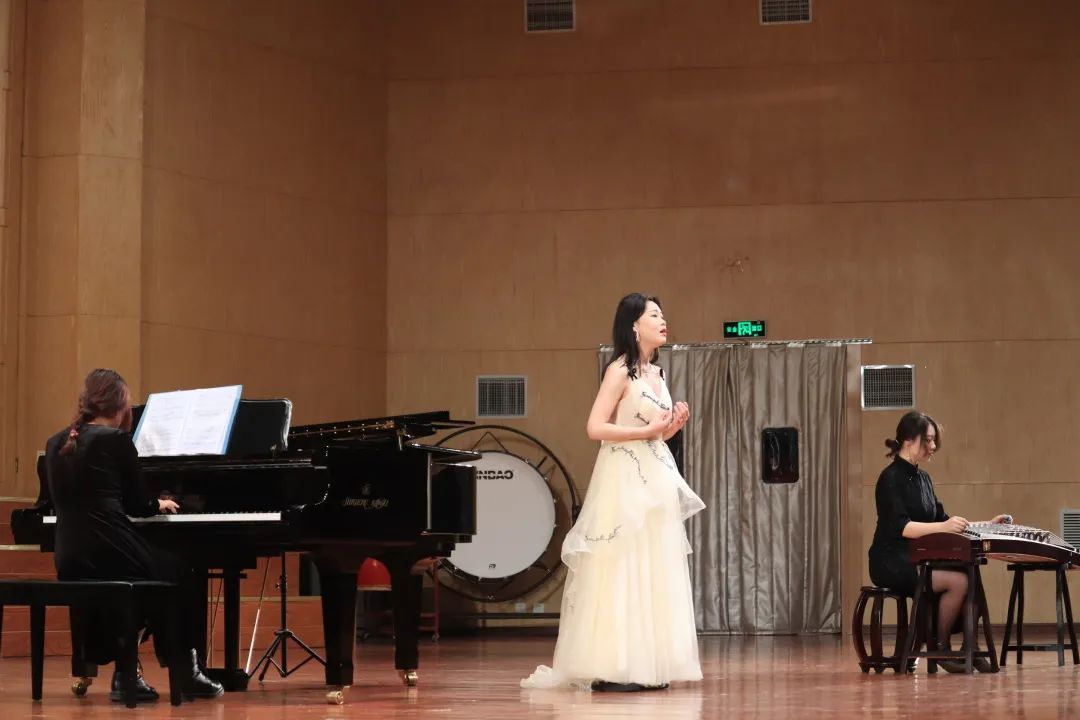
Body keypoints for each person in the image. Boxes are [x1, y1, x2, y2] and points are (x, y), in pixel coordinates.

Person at [521, 293, 705, 691]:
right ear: (634, 325)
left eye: (662, 314)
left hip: (654, 476)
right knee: (621, 565)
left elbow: (656, 433)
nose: (663, 320)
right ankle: (614, 665)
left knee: (652, 564)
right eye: (654, 315)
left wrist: (673, 425)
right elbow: (595, 427)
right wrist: (647, 431)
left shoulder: (657, 374)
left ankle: (649, 665)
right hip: (622, 477)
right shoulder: (620, 370)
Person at [44, 369, 224, 702]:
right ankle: (185, 670)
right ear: (121, 405)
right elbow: (138, 505)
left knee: (146, 576)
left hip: (69, 555)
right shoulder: (116, 440)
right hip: (110, 550)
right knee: (182, 570)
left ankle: (126, 673)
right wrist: (161, 502)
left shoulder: (55, 442)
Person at [868, 410, 1010, 673]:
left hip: (918, 557)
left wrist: (986, 525)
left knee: (971, 577)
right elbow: (903, 527)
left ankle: (969, 647)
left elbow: (944, 521)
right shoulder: (890, 478)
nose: (933, 446)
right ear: (908, 440)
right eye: (928, 440)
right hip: (891, 559)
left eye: (934, 440)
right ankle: (940, 647)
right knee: (958, 581)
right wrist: (944, 527)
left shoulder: (924, 479)